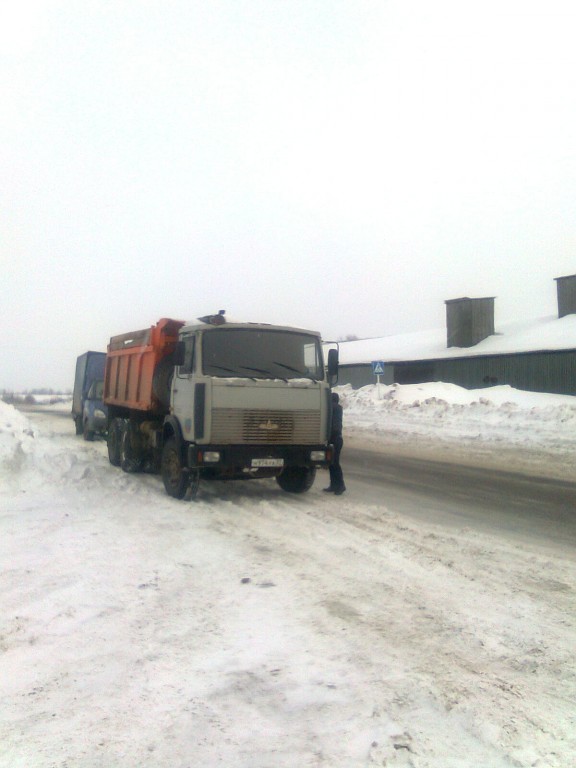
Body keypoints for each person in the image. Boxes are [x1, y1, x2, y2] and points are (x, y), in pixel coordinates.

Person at [324, 392, 346, 495]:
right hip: (337, 439)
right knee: (332, 463)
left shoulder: (333, 408)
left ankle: (340, 486)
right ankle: (334, 485)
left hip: (334, 439)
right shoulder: (338, 408)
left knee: (335, 463)